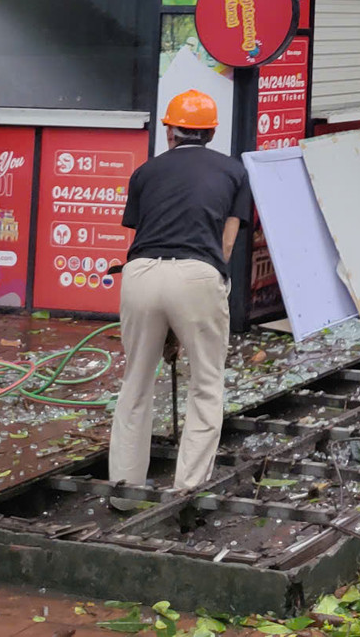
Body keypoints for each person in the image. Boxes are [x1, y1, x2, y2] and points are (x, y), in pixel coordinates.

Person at [107, 89, 252, 498]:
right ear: (210, 132)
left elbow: (139, 237)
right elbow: (225, 245)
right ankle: (187, 489)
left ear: (170, 132)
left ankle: (123, 487)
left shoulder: (146, 172)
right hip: (197, 275)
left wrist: (164, 325)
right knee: (206, 385)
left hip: (140, 274)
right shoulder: (233, 172)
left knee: (135, 384)